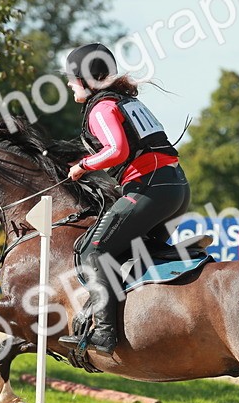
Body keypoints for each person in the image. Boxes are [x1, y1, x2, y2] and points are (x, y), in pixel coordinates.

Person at [57, 43, 190, 355]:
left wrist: (83, 166)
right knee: (136, 251)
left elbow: (117, 150)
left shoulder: (102, 107)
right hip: (175, 187)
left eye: (72, 78)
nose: (69, 83)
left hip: (149, 188)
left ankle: (104, 334)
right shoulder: (125, 101)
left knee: (93, 250)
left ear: (86, 79)